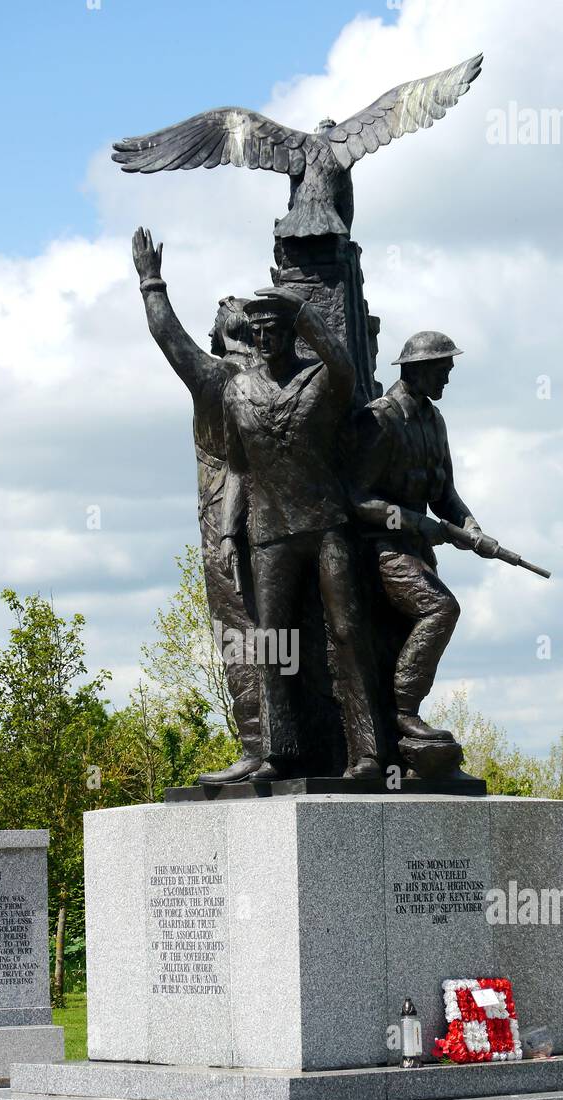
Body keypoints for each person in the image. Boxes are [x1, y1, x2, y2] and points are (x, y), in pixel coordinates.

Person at [220, 288, 382, 781]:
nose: (265, 336)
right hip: (269, 532)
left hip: (326, 523)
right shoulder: (238, 392)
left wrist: (304, 311)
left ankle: (370, 754)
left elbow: (343, 363)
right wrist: (229, 531)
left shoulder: (320, 380)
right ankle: (280, 752)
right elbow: (236, 468)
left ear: (292, 332)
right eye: (258, 329)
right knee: (271, 642)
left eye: (275, 327)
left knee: (349, 631)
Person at [131, 227, 262, 784]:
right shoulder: (281, 382)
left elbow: (170, 339)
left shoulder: (219, 378)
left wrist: (150, 280)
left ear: (218, 337)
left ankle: (259, 745)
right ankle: (290, 745)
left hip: (224, 528)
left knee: (239, 633)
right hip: (282, 526)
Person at [349, 331, 500, 750]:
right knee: (441, 608)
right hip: (383, 551)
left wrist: (471, 527)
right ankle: (404, 712)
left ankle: (398, 722)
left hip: (418, 552)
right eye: (442, 370)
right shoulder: (381, 418)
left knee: (406, 634)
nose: (447, 380)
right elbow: (359, 498)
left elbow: (444, 493)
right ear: (417, 370)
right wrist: (417, 523)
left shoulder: (434, 421)